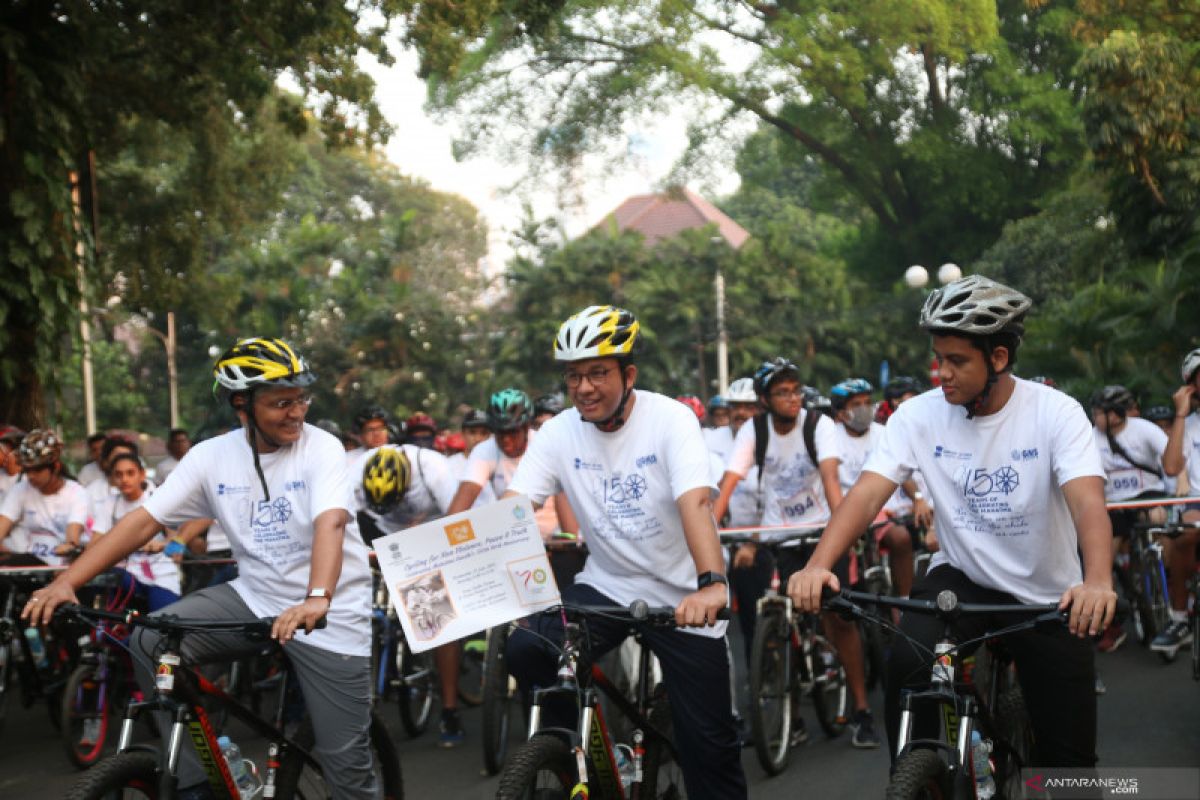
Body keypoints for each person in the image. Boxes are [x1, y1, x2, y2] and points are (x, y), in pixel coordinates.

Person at [23, 337, 378, 799]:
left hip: (331, 614)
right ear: (242, 405)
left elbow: (330, 523)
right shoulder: (210, 457)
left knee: (347, 769)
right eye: (281, 402)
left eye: (301, 399)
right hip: (255, 597)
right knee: (149, 640)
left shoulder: (322, 447)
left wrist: (317, 598)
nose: (297, 412)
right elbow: (142, 521)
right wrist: (67, 582)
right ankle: (198, 782)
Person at [788, 275, 1114, 769]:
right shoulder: (917, 416)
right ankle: (927, 770)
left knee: (1068, 768)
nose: (941, 373)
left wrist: (1098, 581)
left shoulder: (1057, 413)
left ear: (999, 359)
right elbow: (866, 494)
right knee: (909, 664)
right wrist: (818, 565)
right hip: (962, 582)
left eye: (957, 361)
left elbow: (1088, 503)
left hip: (1047, 594)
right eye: (938, 358)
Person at [504, 304, 747, 800]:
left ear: (628, 374)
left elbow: (696, 503)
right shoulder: (557, 432)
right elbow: (512, 510)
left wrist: (712, 584)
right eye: (574, 376)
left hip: (683, 599)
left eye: (598, 373)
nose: (584, 387)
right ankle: (580, 750)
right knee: (527, 647)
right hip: (606, 585)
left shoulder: (671, 419)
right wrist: (456, 580)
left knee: (711, 750)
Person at [712, 357, 878, 748]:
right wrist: (710, 527)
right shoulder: (754, 430)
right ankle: (794, 717)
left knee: (838, 618)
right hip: (779, 535)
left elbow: (831, 479)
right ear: (765, 399)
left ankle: (861, 709)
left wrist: (844, 527)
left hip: (822, 532)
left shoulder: (817, 424)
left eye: (795, 390)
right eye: (781, 393)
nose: (791, 398)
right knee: (779, 620)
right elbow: (729, 480)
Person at [1090, 384, 1173, 652]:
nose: (1094, 417)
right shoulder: (1091, 437)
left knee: (1159, 518)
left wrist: (1180, 485)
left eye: (1099, 412)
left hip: (1147, 494)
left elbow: (1172, 457)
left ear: (1115, 414)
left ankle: (1163, 574)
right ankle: (1112, 618)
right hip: (1114, 503)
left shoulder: (1144, 429)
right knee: (1102, 555)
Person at [91, 453, 181, 611]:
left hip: (160, 572)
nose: (124, 479)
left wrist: (163, 545)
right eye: (118, 474)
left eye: (130, 473)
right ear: (112, 479)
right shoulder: (109, 504)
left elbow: (178, 544)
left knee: (163, 623)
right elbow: (93, 545)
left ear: (142, 474)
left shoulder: (158, 499)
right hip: (125, 572)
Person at [1156, 349, 1200, 657]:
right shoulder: (1188, 425)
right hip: (1197, 504)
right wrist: (1181, 413)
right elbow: (1171, 468)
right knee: (1184, 534)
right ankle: (1180, 619)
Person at [0, 429, 88, 564]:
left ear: (56, 467)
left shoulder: (77, 493)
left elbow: (73, 535)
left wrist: (70, 546)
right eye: (27, 470)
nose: (31, 476)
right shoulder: (20, 489)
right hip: (29, 564)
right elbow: (3, 524)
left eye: (38, 469)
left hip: (64, 566)